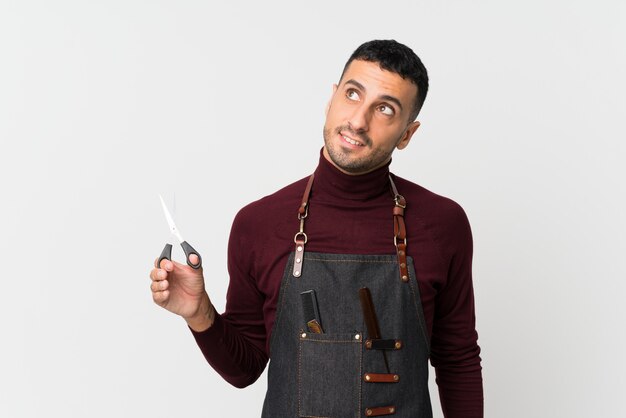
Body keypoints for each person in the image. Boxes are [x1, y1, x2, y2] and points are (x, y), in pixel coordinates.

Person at [149, 39, 483, 417]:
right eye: (353, 94)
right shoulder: (258, 224)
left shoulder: (442, 224)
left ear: (407, 134)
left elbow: (458, 360)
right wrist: (199, 313)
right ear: (332, 98)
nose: (358, 120)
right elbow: (244, 370)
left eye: (385, 109)